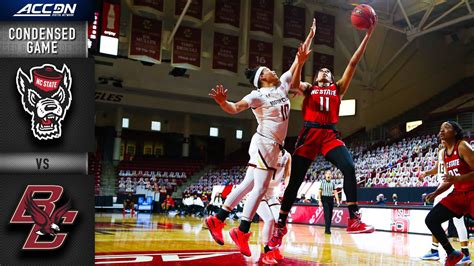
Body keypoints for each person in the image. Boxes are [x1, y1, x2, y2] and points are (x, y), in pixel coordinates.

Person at [205, 19, 316, 257]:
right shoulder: (256, 95)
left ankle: (218, 219)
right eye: (267, 71)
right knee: (261, 185)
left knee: (247, 185)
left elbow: (298, 59)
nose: (273, 71)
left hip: (274, 145)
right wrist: (224, 102)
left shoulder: (283, 85)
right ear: (261, 78)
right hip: (264, 141)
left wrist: (309, 38)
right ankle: (242, 230)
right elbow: (235, 108)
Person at [268, 16, 377, 250]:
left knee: (349, 167)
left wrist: (367, 36)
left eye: (328, 70)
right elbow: (296, 83)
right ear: (316, 77)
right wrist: (300, 61)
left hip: (330, 135)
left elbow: (353, 63)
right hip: (309, 134)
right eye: (322, 71)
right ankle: (281, 225)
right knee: (294, 182)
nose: (325, 72)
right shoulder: (309, 88)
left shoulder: (338, 88)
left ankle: (353, 218)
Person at [424, 121, 474, 266]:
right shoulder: (445, 154)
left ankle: (465, 252)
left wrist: (458, 178)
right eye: (440, 129)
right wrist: (435, 193)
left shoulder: (463, 146)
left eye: (446, 128)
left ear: (455, 132)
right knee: (431, 220)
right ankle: (452, 253)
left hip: (472, 193)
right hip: (458, 194)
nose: (441, 131)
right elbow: (449, 180)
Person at [257, 149, 291, 264]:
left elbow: (287, 174)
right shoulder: (267, 150)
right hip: (258, 190)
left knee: (280, 222)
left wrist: (287, 188)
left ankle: (274, 248)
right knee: (269, 220)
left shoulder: (287, 156)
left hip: (271, 192)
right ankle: (267, 252)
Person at [318, 170, 341, 234]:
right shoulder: (322, 182)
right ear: (325, 175)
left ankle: (328, 228)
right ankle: (327, 229)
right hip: (324, 198)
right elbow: (319, 192)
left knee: (330, 214)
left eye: (330, 174)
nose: (329, 175)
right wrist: (319, 201)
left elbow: (335, 192)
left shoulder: (333, 183)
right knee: (327, 214)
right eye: (327, 174)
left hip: (331, 199)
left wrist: (338, 200)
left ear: (331, 175)